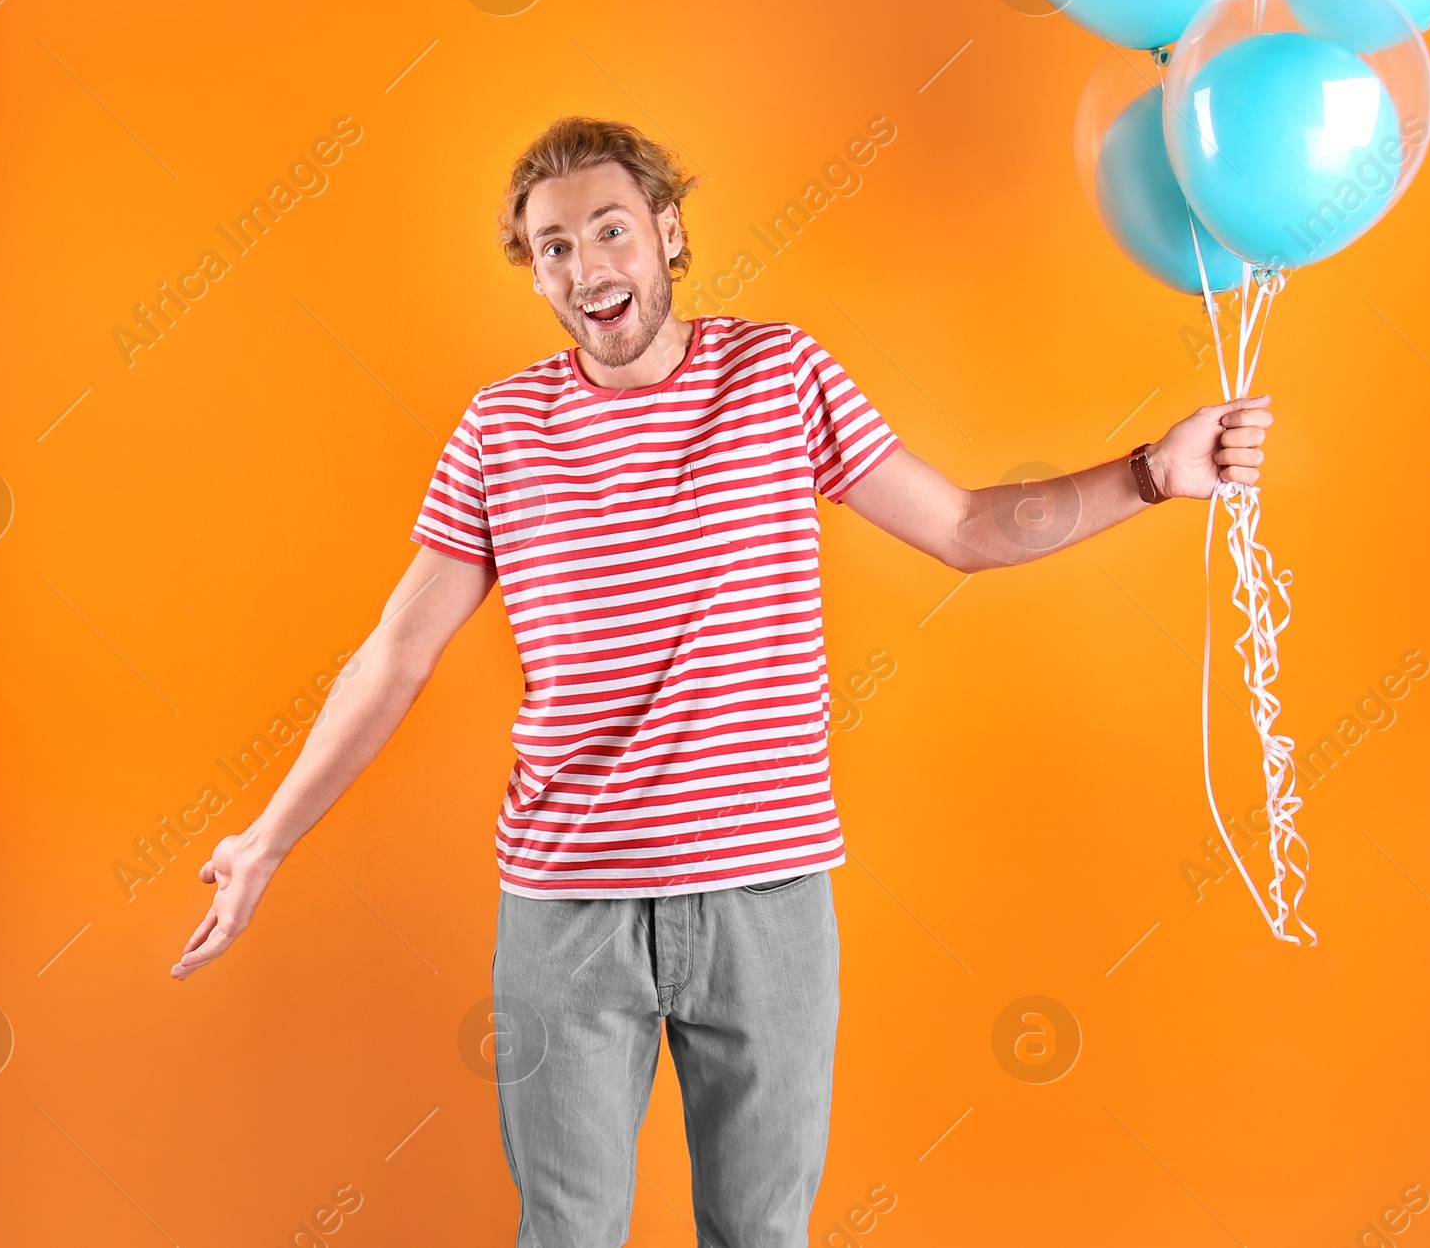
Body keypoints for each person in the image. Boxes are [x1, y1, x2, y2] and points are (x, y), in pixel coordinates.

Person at [172, 115, 1271, 1247]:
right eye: (552, 246)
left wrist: (1152, 473)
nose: (587, 265)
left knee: (759, 1233)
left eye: (609, 229)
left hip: (766, 897)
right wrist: (266, 838)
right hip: (567, 903)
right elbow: (394, 653)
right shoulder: (502, 428)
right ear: (533, 271)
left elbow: (964, 526)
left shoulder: (780, 374)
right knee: (567, 1232)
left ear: (666, 232)